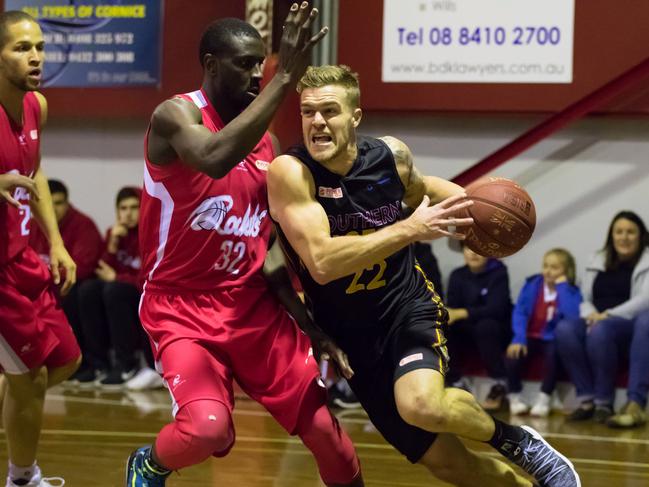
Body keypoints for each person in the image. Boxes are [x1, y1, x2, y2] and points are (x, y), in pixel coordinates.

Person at [268, 64, 581, 487]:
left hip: (405, 307)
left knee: (421, 405)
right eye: (308, 112)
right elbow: (322, 263)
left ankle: (517, 441)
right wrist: (411, 228)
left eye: (329, 111)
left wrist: (485, 218)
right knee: (452, 466)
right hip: (353, 340)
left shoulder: (389, 158)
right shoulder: (291, 172)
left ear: (355, 117)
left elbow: (427, 188)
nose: (317, 122)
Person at [126, 5, 364, 487]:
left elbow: (269, 248)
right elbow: (213, 158)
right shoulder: (176, 114)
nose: (258, 73)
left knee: (326, 433)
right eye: (245, 64)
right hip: (181, 307)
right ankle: (149, 463)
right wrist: (286, 78)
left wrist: (311, 327)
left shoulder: (268, 145)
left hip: (251, 308)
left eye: (262, 63)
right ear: (211, 64)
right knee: (207, 429)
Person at [0, 11, 81, 486]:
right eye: (21, 48)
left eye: (39, 47)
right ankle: (22, 479)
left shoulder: (37, 106)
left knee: (65, 360)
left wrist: (57, 243)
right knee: (28, 377)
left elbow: (36, 175)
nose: (35, 57)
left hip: (23, 257)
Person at [556, 211, 649, 427]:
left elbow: (645, 299)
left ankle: (604, 402)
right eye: (619, 232)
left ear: (640, 235)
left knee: (601, 329)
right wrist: (591, 314)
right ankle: (586, 399)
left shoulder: (647, 259)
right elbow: (584, 296)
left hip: (627, 321)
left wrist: (607, 315)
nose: (624, 237)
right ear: (611, 235)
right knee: (565, 329)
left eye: (630, 232)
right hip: (596, 317)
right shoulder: (597, 258)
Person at [75, 187, 152, 389]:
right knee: (88, 289)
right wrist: (112, 246)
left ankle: (127, 363)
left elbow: (149, 278)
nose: (128, 213)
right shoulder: (114, 233)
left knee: (114, 290)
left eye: (134, 207)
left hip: (143, 294)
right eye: (123, 208)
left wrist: (117, 277)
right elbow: (100, 269)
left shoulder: (151, 234)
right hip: (121, 290)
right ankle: (98, 363)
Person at [29, 179, 103, 381]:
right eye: (49, 203)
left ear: (68, 202)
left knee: (78, 292)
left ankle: (88, 362)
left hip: (69, 288)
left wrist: (42, 274)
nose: (53, 209)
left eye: (59, 203)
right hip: (41, 288)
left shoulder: (83, 225)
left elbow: (83, 267)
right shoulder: (34, 224)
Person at [505, 249, 581, 417]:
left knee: (552, 354)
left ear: (566, 271)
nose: (548, 271)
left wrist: (562, 287)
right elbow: (520, 311)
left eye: (554, 267)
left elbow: (573, 315)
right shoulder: (533, 284)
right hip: (530, 335)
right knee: (512, 355)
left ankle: (544, 397)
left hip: (552, 338)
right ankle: (515, 397)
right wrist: (519, 337)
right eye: (545, 266)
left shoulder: (571, 291)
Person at [445, 244, 512, 410]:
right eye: (468, 249)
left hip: (494, 328)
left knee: (485, 326)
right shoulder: (457, 275)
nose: (473, 253)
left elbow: (496, 309)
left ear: (488, 253)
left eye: (479, 249)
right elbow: (452, 308)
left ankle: (500, 383)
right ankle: (455, 382)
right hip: (467, 328)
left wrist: (462, 312)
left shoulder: (499, 273)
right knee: (443, 327)